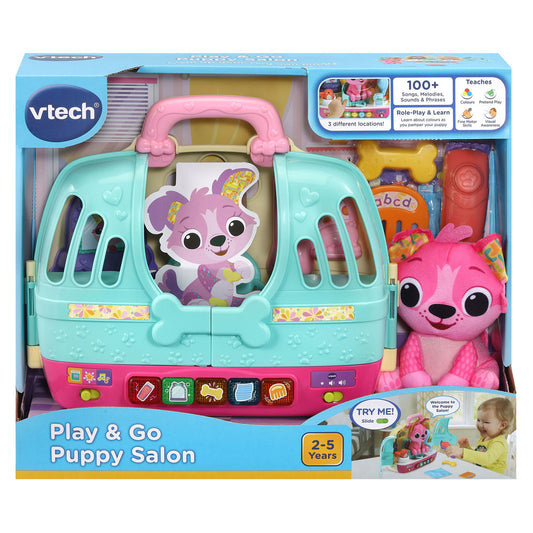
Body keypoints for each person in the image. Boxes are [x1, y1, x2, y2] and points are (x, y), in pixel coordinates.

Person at [445, 397, 514, 475]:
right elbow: (478, 457)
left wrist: (462, 452)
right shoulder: (484, 438)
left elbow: (486, 459)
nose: (480, 424)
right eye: (478, 420)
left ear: (502, 425)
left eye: (486, 422)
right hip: (480, 473)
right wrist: (467, 448)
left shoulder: (499, 443)